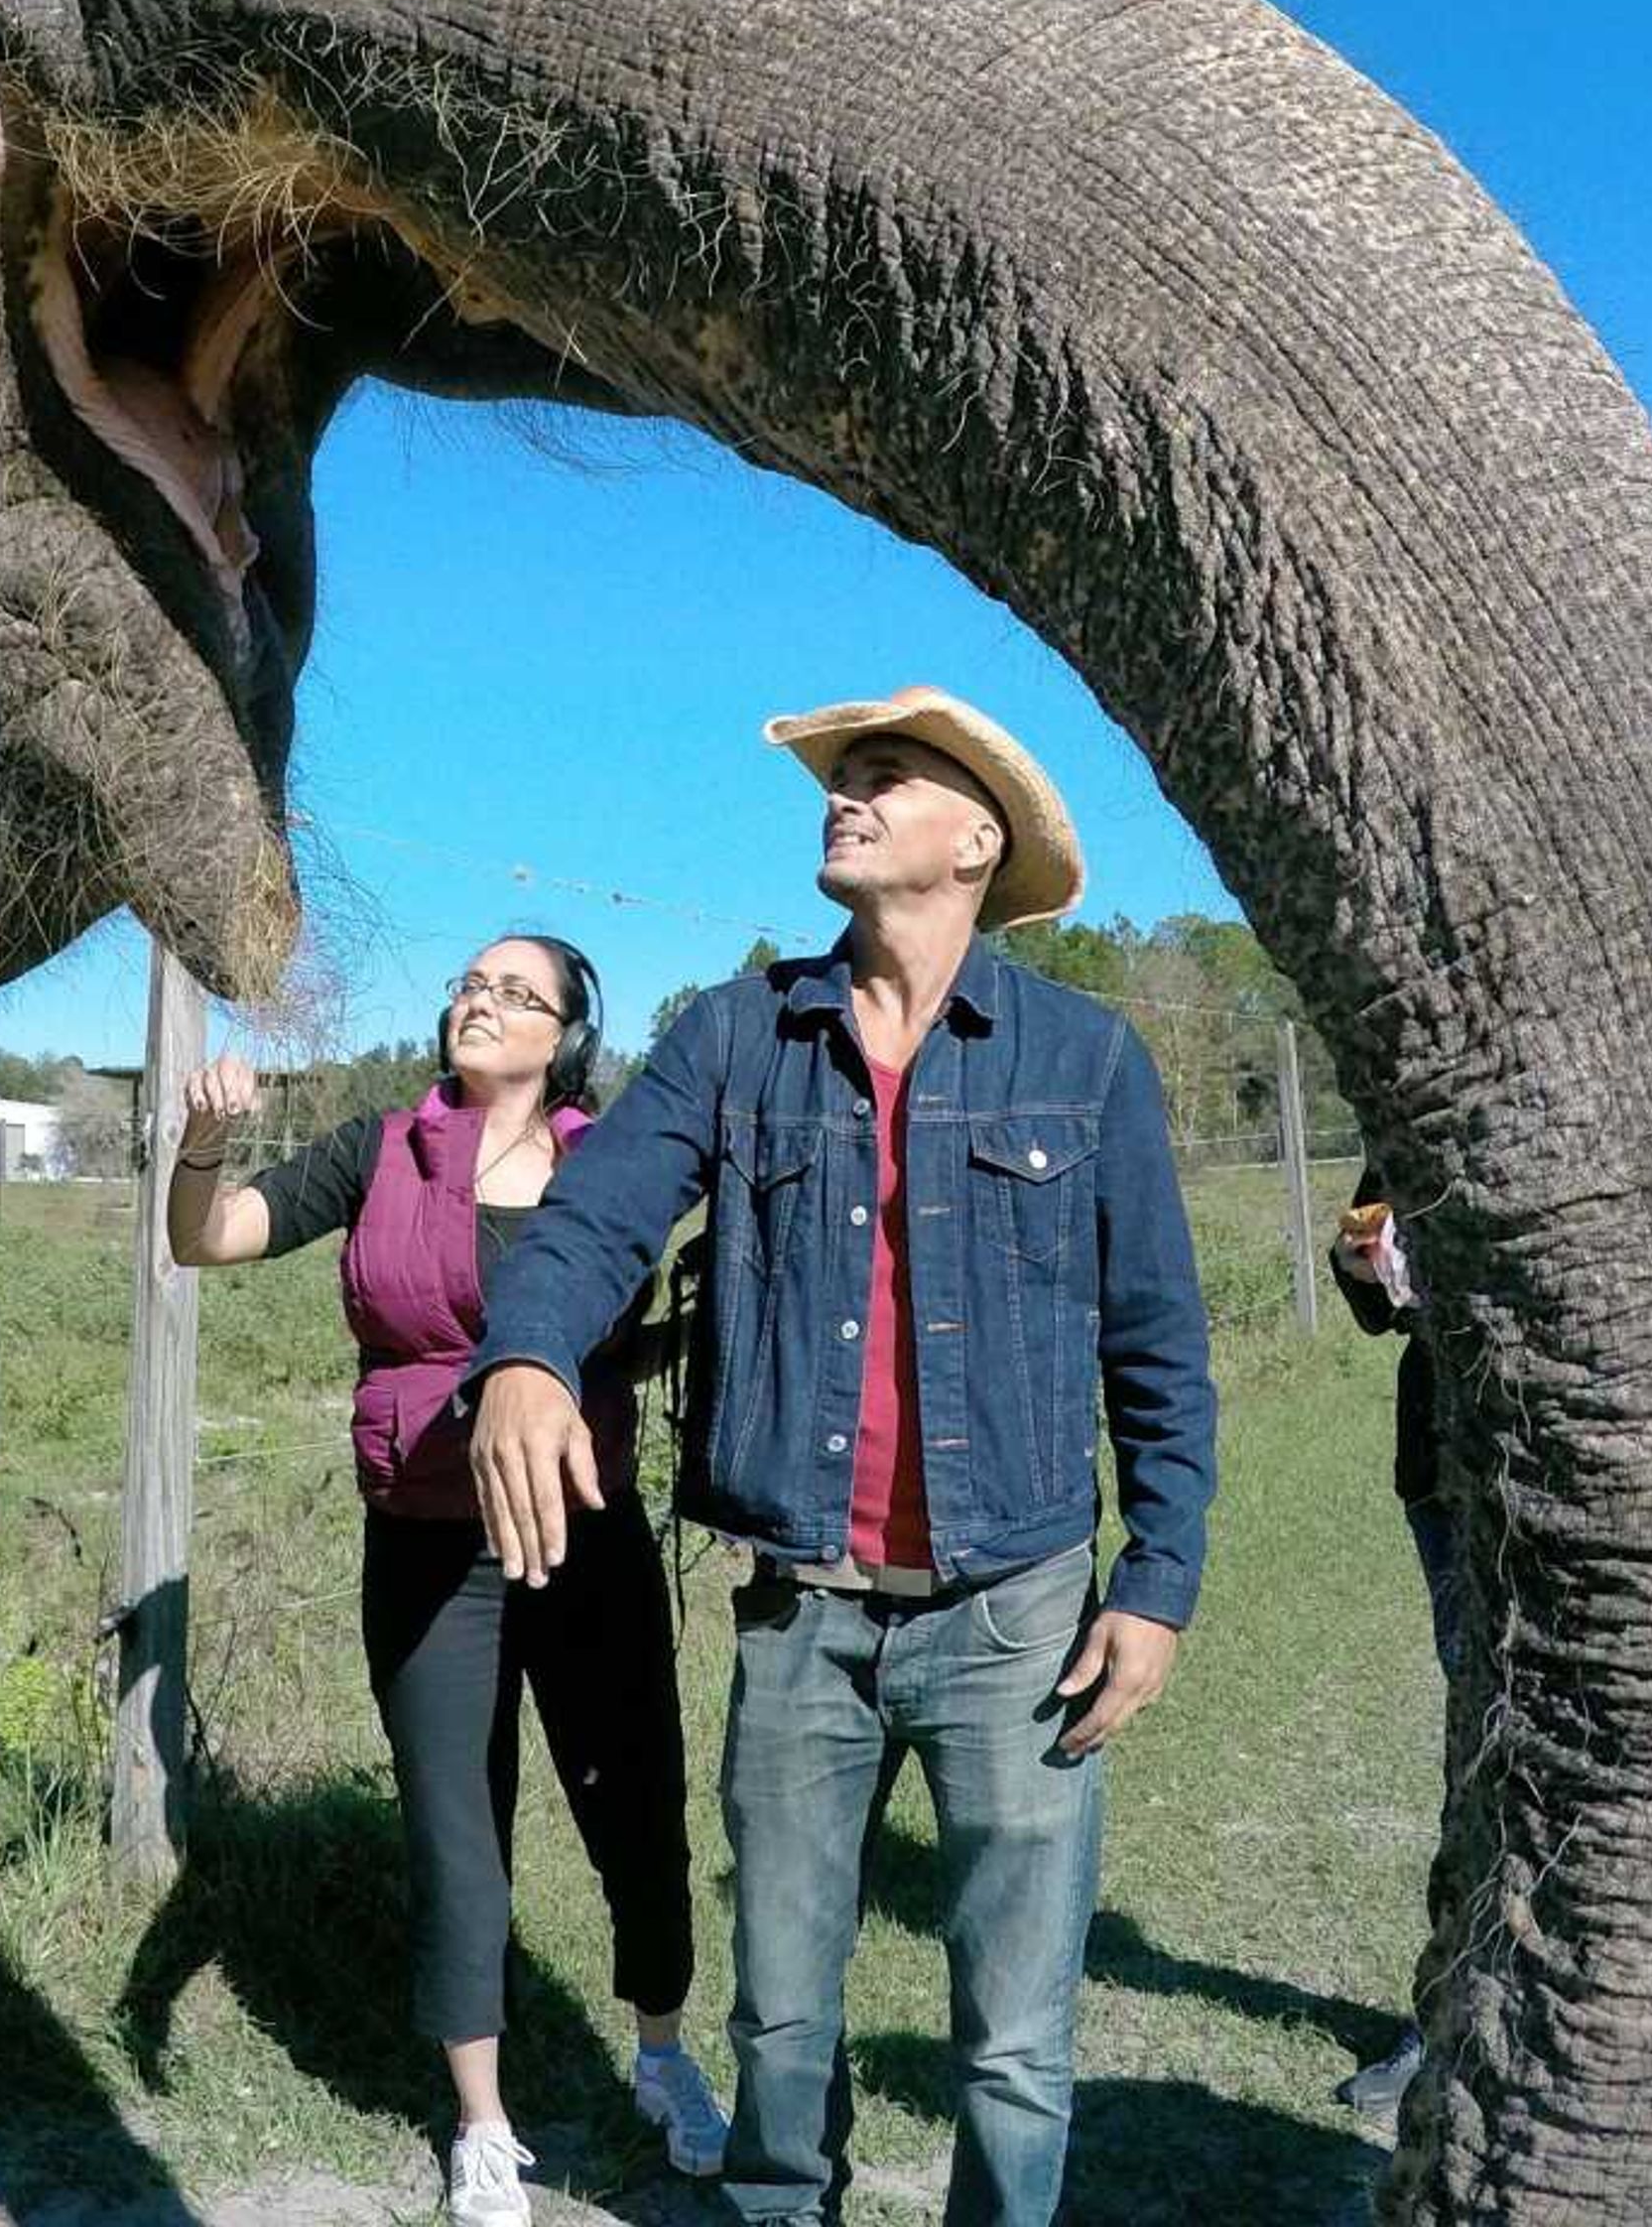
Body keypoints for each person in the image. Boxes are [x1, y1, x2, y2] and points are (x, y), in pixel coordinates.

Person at [467, 690, 1217, 2227]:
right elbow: (594, 1216)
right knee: (783, 2024)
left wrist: (1161, 1579)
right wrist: (529, 1355)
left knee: (1013, 2040)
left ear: (975, 839)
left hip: (1019, 1615)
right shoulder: (744, 1033)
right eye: (840, 779)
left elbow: (1157, 1342)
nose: (846, 799)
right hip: (801, 1612)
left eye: (884, 778)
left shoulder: (1084, 1057)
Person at [169, 933, 731, 2227]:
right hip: (428, 1539)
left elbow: (616, 1336)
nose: (482, 1001)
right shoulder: (383, 1149)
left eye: (515, 992)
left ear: (567, 1037)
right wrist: (202, 1143)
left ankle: (661, 2052)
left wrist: (663, 1349)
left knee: (636, 1806)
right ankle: (482, 2122)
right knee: (456, 1831)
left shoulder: (610, 1165)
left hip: (582, 1530)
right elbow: (214, 1236)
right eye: (472, 984)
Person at [1326, 1173, 1461, 2118]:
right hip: (1441, 1466)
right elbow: (1378, 1311)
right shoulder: (1406, 1130)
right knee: (1479, 1738)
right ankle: (1449, 2020)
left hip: (1563, 1454)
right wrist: (1360, 1263)